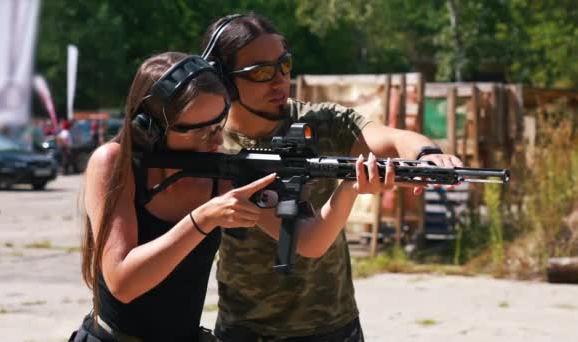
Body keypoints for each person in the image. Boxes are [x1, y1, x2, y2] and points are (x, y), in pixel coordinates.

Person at [69, 51, 392, 342]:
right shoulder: (115, 163)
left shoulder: (220, 172)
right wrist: (203, 219)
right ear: (150, 128)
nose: (216, 139)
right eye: (200, 130)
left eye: (219, 124)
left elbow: (308, 242)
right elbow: (124, 283)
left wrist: (349, 186)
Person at [200, 13, 464, 341]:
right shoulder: (209, 146)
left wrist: (426, 156)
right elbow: (305, 241)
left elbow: (392, 138)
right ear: (224, 81)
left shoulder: (318, 121)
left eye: (284, 65)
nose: (279, 80)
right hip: (247, 329)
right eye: (262, 72)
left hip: (333, 325)